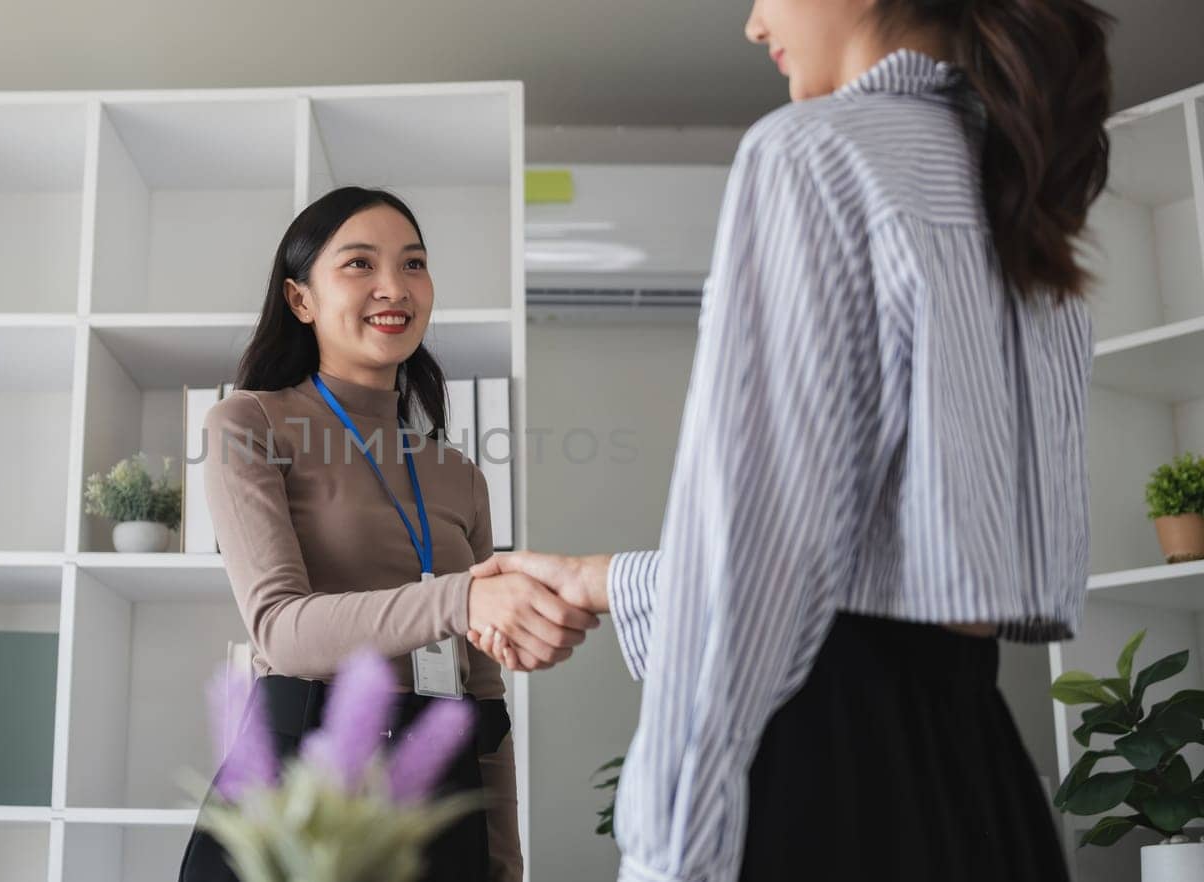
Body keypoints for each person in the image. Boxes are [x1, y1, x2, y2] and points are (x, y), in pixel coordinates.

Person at [470, 1, 1113, 880]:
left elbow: (761, 562)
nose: (752, 23)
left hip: (827, 780)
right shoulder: (1017, 175)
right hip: (976, 772)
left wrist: (670, 853)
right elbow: (884, 569)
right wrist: (597, 580)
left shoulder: (813, 150)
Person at [177, 186, 599, 882]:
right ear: (300, 299)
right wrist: (461, 600)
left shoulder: (458, 472)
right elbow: (280, 629)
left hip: (441, 790)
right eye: (359, 264)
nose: (392, 287)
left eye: (413, 263)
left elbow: (483, 690)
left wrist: (503, 858)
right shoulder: (248, 424)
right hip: (299, 793)